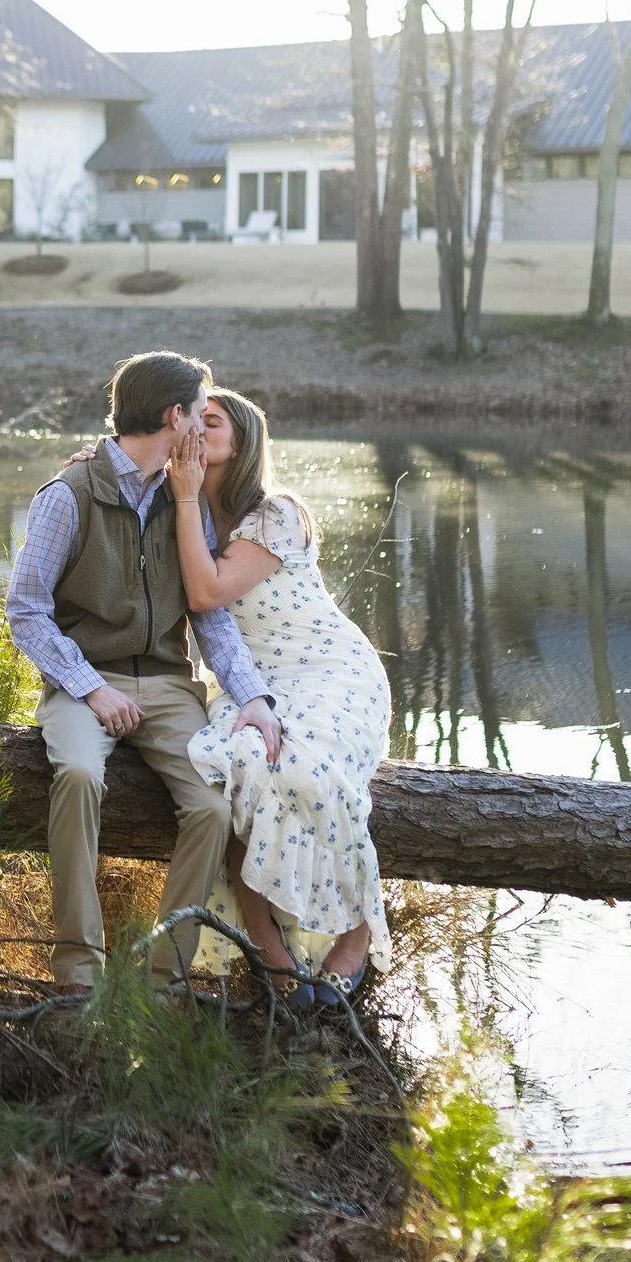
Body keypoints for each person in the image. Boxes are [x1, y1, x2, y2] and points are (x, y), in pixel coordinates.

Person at [5, 352, 284, 992]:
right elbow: (25, 612)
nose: (202, 426)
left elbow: (208, 614)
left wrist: (252, 698)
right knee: (77, 774)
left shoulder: (186, 501)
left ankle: (165, 981)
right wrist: (90, 688)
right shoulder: (68, 495)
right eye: (199, 412)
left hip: (167, 686)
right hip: (84, 681)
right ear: (173, 416)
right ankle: (79, 972)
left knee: (212, 807)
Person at [171, 389, 391, 1006]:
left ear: (242, 442)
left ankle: (355, 937)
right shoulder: (177, 509)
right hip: (253, 681)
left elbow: (209, 591)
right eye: (188, 418)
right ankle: (271, 955)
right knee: (240, 767)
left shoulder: (275, 513)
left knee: (305, 767)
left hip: (331, 671)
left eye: (210, 422)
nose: (195, 427)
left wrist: (185, 495)